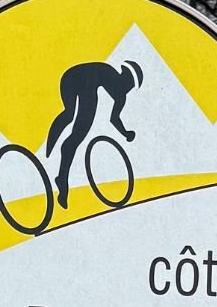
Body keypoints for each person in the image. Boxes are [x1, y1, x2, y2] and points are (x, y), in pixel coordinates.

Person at [43, 59, 143, 204]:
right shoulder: (106, 72)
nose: (127, 88)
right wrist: (126, 133)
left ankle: (62, 177)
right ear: (124, 74)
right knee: (70, 115)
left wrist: (126, 133)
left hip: (84, 84)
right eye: (129, 82)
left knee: (75, 134)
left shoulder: (120, 96)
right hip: (73, 78)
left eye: (131, 86)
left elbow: (114, 119)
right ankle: (52, 156)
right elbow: (110, 116)